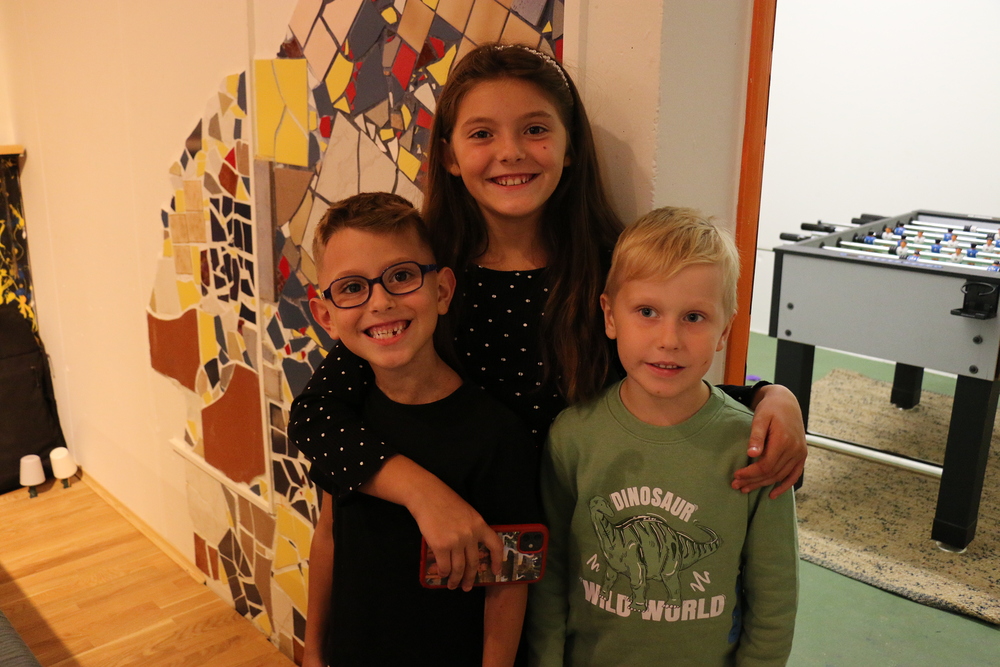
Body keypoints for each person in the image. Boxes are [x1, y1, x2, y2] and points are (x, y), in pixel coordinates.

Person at [289, 43, 806, 591]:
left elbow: (660, 370)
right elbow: (316, 416)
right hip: (457, 557)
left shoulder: (613, 268)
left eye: (534, 129)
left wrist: (768, 397)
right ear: (449, 155)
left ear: (570, 145)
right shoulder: (416, 276)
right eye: (482, 133)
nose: (510, 152)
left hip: (586, 560)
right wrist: (425, 494)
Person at [527, 208, 798, 666]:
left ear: (724, 331)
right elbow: (550, 575)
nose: (669, 339)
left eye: (693, 316)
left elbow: (775, 590)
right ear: (610, 316)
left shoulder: (753, 446)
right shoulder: (573, 435)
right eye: (647, 312)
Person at [301, 193, 541, 667]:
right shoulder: (345, 421)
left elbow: (511, 580)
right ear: (326, 316)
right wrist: (313, 653)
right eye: (352, 287)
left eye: (402, 276)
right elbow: (327, 535)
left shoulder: (498, 434)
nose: (381, 302)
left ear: (443, 290)